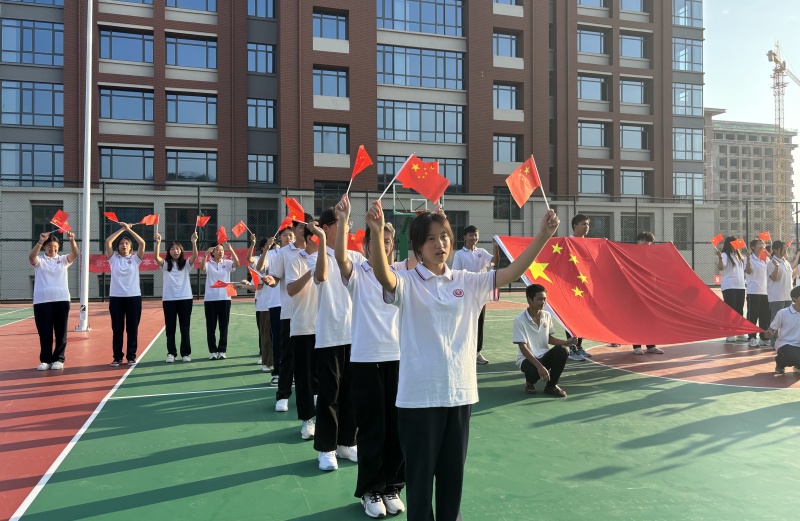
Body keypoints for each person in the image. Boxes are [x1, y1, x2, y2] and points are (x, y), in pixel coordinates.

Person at [366, 199, 560, 521]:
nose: (439, 244)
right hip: (418, 399)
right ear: (417, 247)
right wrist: (375, 232)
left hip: (459, 395)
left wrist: (543, 236)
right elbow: (384, 277)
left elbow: (512, 271)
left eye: (444, 236)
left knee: (452, 480)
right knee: (419, 483)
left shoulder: (468, 281)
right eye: (430, 238)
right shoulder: (408, 282)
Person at [334, 195, 406, 517]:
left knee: (397, 428)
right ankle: (370, 490)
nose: (383, 245)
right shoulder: (358, 274)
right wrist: (343, 221)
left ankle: (392, 486)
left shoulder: (400, 274)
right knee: (372, 428)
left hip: (398, 359)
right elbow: (339, 258)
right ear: (365, 245)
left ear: (392, 246)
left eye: (388, 241)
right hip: (365, 360)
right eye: (377, 239)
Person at [308, 206, 366, 472]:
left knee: (351, 393)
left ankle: (346, 442)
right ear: (326, 227)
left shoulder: (356, 256)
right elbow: (321, 276)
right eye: (340, 221)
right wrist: (321, 241)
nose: (347, 225)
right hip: (330, 335)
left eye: (348, 221)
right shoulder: (317, 256)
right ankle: (326, 448)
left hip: (355, 334)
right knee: (329, 395)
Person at [271, 214, 314, 409]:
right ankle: (283, 396)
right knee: (288, 356)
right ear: (295, 229)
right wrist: (271, 280)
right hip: (290, 312)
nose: (304, 230)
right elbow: (275, 277)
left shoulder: (319, 252)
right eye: (301, 227)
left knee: (314, 357)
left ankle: (315, 392)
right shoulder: (284, 254)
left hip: (315, 313)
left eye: (308, 227)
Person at [285, 223, 320, 443]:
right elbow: (291, 290)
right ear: (309, 239)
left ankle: (329, 421)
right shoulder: (296, 261)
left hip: (327, 327)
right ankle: (307, 420)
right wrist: (310, 272)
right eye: (317, 236)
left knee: (327, 378)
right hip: (303, 327)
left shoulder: (330, 259)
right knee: (304, 377)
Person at [513, 284, 575, 396]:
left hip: (544, 355)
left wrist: (565, 342)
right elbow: (523, 348)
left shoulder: (547, 315)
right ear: (529, 300)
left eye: (545, 299)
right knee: (533, 372)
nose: (543, 302)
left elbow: (548, 338)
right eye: (539, 299)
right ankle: (530, 382)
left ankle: (551, 386)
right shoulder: (519, 320)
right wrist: (540, 367)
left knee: (562, 350)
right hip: (527, 359)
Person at [30, 232, 78, 370]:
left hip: (61, 299)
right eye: (50, 246)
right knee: (44, 332)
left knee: (61, 331)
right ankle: (45, 360)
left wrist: (72, 240)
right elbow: (31, 257)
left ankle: (59, 359)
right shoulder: (40, 261)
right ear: (44, 247)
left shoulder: (63, 260)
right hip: (41, 301)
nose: (53, 249)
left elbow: (75, 254)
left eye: (55, 246)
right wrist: (40, 241)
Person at [452, 225, 500, 365]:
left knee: (479, 323)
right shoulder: (459, 254)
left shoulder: (482, 252)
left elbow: (494, 262)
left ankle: (477, 353)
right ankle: (461, 351)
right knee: (463, 323)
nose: (474, 238)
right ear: (465, 237)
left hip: (481, 295)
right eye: (471, 235)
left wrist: (496, 247)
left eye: (476, 235)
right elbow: (456, 273)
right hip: (466, 295)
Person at [105, 222, 146, 366]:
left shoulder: (135, 259)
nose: (124, 245)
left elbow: (142, 243)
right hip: (116, 297)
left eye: (127, 244)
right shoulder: (113, 259)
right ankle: (117, 357)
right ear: (118, 247)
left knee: (132, 328)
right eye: (122, 243)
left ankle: (131, 356)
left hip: (133, 297)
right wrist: (122, 229)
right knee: (117, 329)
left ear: (130, 247)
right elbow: (108, 241)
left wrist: (129, 230)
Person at [154, 231, 198, 363]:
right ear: (169, 252)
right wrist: (158, 243)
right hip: (169, 299)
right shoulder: (165, 265)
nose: (175, 251)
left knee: (185, 327)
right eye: (172, 249)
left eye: (178, 249)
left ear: (181, 251)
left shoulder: (186, 264)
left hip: (185, 298)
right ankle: (171, 353)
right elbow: (156, 257)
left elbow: (195, 256)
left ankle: (185, 353)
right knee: (170, 328)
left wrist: (194, 242)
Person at [258, 227, 295, 382]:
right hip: (276, 304)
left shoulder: (301, 253)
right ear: (280, 237)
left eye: (290, 235)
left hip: (295, 303)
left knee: (295, 340)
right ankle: (277, 372)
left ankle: (294, 372)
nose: (288, 238)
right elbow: (260, 267)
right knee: (278, 340)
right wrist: (266, 248)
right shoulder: (274, 254)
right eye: (285, 235)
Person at [201, 239, 241, 359]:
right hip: (210, 299)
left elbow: (237, 264)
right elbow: (202, 267)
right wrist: (205, 254)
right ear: (212, 252)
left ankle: (222, 350)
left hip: (225, 298)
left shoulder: (227, 263)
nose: (220, 252)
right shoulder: (209, 264)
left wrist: (231, 249)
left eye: (222, 250)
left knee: (224, 326)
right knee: (211, 326)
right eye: (218, 250)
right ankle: (213, 351)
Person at [566, 214, 595, 358]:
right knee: (571, 318)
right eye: (584, 224)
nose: (586, 227)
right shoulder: (566, 242)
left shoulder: (589, 244)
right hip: (570, 287)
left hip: (585, 287)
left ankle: (579, 346)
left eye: (588, 224)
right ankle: (572, 349)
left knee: (582, 318)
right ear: (575, 226)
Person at [631, 231, 664, 355]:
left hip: (651, 292)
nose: (645, 242)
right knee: (637, 319)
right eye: (643, 240)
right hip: (636, 292)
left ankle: (651, 346)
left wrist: (670, 248)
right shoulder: (630, 254)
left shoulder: (653, 256)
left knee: (651, 318)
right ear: (637, 241)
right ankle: (637, 346)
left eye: (649, 241)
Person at [250, 237, 275, 372]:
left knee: (281, 337)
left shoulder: (283, 261)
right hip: (265, 304)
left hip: (281, 304)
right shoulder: (261, 263)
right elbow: (258, 285)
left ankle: (278, 362)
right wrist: (245, 285)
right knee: (266, 335)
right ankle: (266, 361)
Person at [766, 240, 797, 348]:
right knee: (776, 321)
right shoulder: (772, 263)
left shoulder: (786, 262)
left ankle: (786, 341)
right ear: (775, 250)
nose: (785, 250)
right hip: (777, 297)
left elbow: (790, 278)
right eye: (783, 248)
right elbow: (774, 278)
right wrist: (777, 267)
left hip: (788, 296)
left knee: (788, 320)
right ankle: (773, 343)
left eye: (786, 248)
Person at [716, 236, 746, 343]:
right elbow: (721, 267)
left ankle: (739, 332)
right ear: (729, 244)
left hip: (740, 286)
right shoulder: (724, 255)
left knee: (739, 310)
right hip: (729, 286)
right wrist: (720, 257)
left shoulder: (739, 256)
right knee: (730, 310)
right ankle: (729, 333)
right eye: (734, 242)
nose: (737, 244)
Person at [764, 285, 800, 374]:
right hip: (786, 344)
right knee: (793, 356)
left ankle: (798, 366)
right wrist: (769, 333)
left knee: (796, 356)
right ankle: (780, 362)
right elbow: (772, 329)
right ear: (794, 299)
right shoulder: (783, 313)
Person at [744, 238, 771, 348]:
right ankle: (751, 338)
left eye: (763, 244)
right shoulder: (748, 258)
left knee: (764, 316)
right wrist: (748, 259)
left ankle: (763, 338)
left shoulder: (766, 259)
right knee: (753, 315)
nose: (762, 246)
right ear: (753, 247)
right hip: (753, 291)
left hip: (765, 291)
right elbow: (748, 271)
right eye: (760, 244)